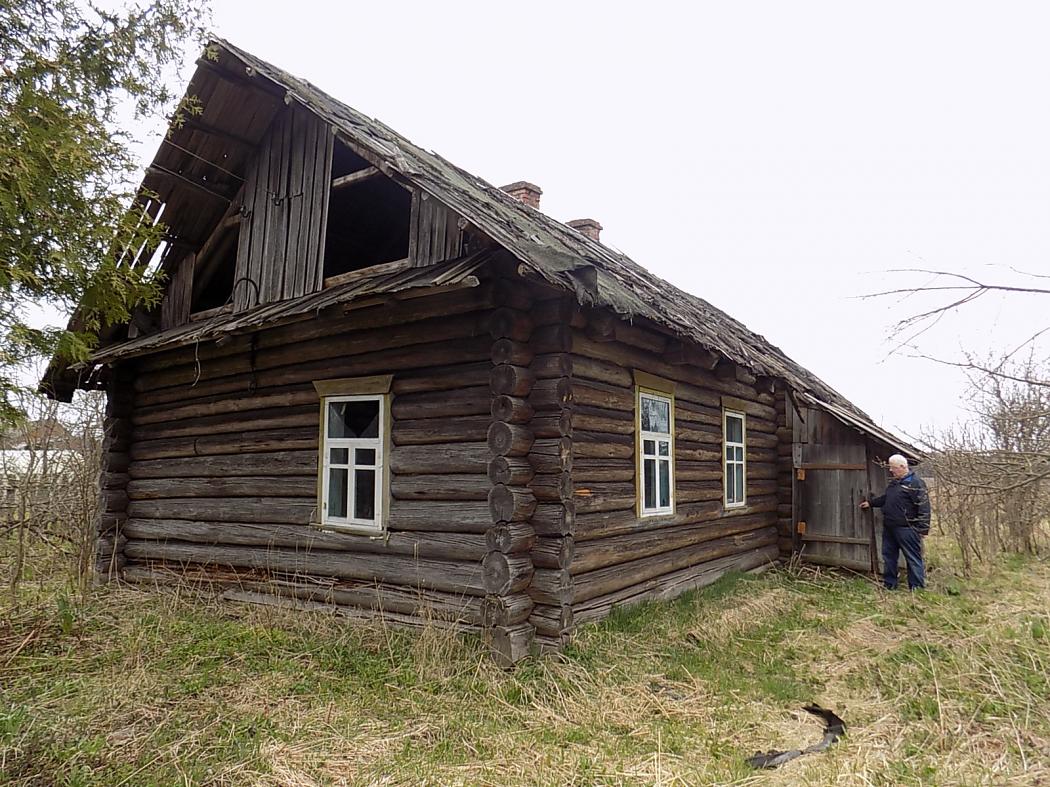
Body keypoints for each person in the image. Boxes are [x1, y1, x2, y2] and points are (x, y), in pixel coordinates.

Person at [860, 454, 931, 590]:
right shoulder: (895, 483)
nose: (891, 471)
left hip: (907, 528)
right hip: (890, 527)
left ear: (903, 467)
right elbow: (887, 498)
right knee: (889, 556)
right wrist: (871, 503)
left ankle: (917, 588)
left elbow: (924, 507)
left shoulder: (916, 483)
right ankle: (890, 584)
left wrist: (923, 529)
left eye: (893, 468)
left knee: (912, 558)